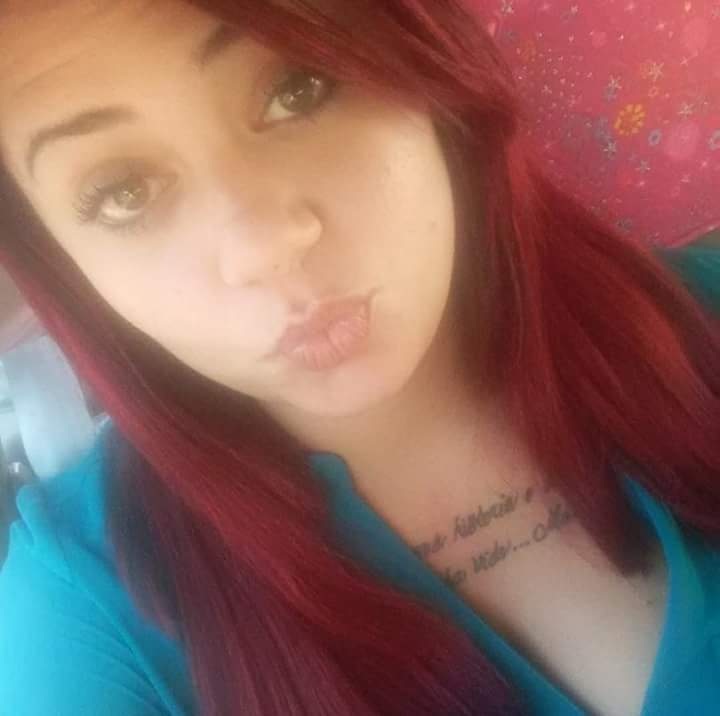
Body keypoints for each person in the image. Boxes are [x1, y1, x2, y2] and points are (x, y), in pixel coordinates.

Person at [0, 1, 718, 715]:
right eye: (122, 194)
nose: (262, 247)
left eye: (297, 90)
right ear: (67, 266)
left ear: (425, 61)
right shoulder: (80, 604)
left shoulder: (700, 317)